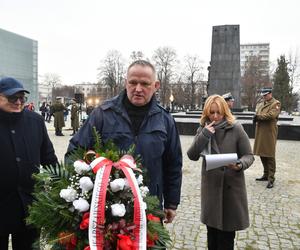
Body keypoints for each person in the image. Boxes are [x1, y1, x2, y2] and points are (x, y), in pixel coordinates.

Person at [68, 60, 183, 223]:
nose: (138, 89)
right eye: (133, 82)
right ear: (125, 83)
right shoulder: (102, 114)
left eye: (144, 84)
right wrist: (80, 191)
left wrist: (171, 202)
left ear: (156, 85)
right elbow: (75, 151)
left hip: (150, 205)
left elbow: (173, 163)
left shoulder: (165, 120)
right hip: (109, 208)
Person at [187, 94, 254, 250]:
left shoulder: (236, 128)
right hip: (212, 189)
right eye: (212, 112)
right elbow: (192, 155)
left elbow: (249, 156)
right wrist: (204, 134)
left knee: (226, 240)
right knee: (212, 237)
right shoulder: (203, 128)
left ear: (225, 111)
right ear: (206, 112)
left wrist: (239, 164)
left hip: (231, 190)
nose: (215, 116)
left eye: (219, 112)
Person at [0, 77, 58, 250]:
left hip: (30, 207)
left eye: (22, 98)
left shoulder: (36, 121)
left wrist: (61, 187)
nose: (18, 102)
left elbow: (48, 158)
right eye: (12, 98)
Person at [253, 87, 281, 189]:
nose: (264, 97)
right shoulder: (261, 104)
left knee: (270, 155)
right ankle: (265, 174)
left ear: (270, 94)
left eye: (266, 95)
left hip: (269, 132)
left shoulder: (276, 103)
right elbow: (257, 113)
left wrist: (258, 117)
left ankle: (271, 178)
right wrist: (257, 116)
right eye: (263, 95)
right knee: (262, 153)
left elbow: (271, 115)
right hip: (261, 132)